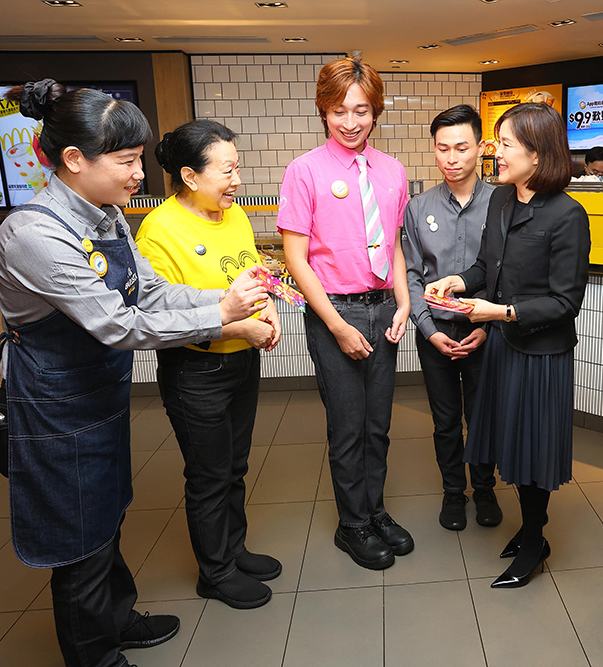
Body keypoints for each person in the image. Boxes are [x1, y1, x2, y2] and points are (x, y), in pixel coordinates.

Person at [0, 80, 267, 667]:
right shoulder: (34, 233)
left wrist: (219, 300)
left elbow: (152, 290)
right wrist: (219, 314)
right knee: (79, 542)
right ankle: (97, 657)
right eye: (127, 161)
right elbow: (117, 325)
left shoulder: (108, 217)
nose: (140, 172)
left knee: (107, 519)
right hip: (55, 412)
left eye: (138, 158)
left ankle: (117, 620)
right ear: (74, 160)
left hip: (98, 400)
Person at [427, 102, 590, 588]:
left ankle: (536, 540)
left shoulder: (567, 215)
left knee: (533, 453)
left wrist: (499, 313)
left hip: (541, 355)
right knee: (510, 446)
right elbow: (487, 270)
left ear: (538, 154)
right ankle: (530, 529)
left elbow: (565, 302)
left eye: (507, 144)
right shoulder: (501, 200)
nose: (496, 152)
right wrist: (457, 281)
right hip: (503, 347)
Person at [136, 120, 282, 610]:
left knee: (234, 467)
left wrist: (269, 308)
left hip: (241, 365)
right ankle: (214, 573)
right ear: (191, 176)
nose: (236, 179)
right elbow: (162, 314)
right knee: (208, 473)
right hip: (196, 372)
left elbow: (252, 273)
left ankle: (233, 551)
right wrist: (241, 327)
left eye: (236, 167)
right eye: (227, 170)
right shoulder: (159, 230)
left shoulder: (233, 215)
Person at [278, 57, 414, 571]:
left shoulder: (392, 170)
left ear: (376, 112)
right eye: (339, 112)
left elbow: (394, 243)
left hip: (383, 309)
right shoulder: (305, 170)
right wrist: (336, 325)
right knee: (348, 426)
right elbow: (295, 256)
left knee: (378, 424)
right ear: (323, 112)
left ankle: (375, 511)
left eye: (361, 111)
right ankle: (351, 523)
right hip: (334, 311)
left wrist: (403, 301)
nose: (351, 122)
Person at [403, 104, 502, 531]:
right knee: (445, 421)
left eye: (462, 147)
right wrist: (427, 329)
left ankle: (484, 490)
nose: (452, 158)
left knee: (483, 417)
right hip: (436, 334)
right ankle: (452, 493)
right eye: (442, 148)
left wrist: (486, 327)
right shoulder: (417, 206)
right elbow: (409, 274)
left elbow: (508, 275)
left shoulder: (503, 202)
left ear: (480, 148)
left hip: (487, 333)